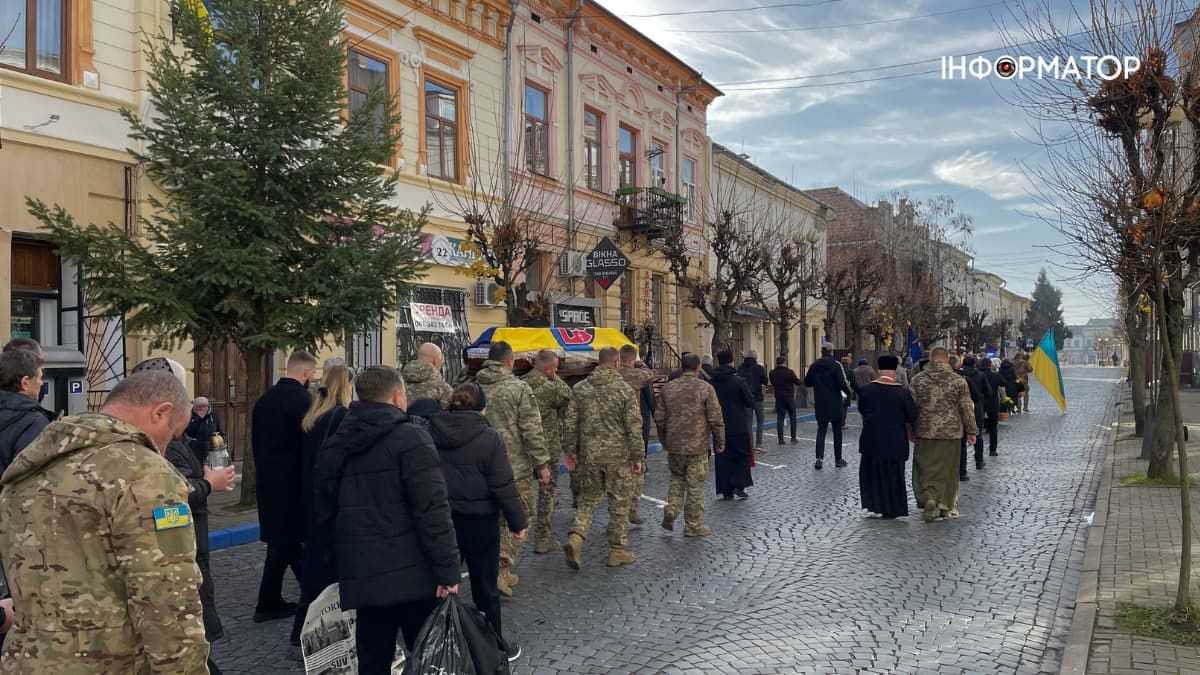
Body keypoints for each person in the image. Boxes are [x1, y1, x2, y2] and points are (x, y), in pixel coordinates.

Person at [0, 370, 209, 670]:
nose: (167, 448)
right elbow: (167, 598)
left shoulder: (30, 467)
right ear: (161, 412)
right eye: (173, 435)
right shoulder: (143, 473)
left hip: (28, 661)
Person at [310, 366, 459, 673]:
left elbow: (323, 513)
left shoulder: (336, 442)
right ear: (397, 397)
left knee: (372, 656)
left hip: (364, 572)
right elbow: (432, 510)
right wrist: (448, 571)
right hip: (414, 575)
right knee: (426, 656)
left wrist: (334, 563)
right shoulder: (413, 438)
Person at [135, 357, 236, 675]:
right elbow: (168, 503)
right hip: (177, 566)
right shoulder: (158, 445)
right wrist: (208, 483)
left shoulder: (171, 440)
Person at [426, 383, 526, 661]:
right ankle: (494, 646)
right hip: (480, 521)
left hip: (442, 518)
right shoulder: (488, 437)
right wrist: (518, 522)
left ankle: (433, 643)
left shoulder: (429, 430)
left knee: (439, 582)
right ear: (482, 407)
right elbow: (502, 483)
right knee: (485, 587)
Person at [475, 341, 550, 596]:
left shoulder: (473, 386)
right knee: (522, 515)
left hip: (479, 467)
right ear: (510, 361)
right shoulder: (518, 388)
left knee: (491, 520)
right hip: (513, 468)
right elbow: (531, 430)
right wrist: (542, 464)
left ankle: (495, 570)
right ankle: (500, 567)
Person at [562, 347, 644, 569]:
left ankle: (576, 536)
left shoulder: (580, 389)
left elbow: (569, 424)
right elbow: (634, 427)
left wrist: (569, 452)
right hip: (618, 456)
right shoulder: (624, 390)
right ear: (617, 363)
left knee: (587, 500)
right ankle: (617, 550)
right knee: (619, 501)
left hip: (590, 455)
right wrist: (638, 456)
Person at [290, 363, 354, 645]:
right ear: (345, 385)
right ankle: (307, 637)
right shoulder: (340, 417)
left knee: (317, 575)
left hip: (310, 500)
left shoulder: (312, 416)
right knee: (325, 578)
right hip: (330, 503)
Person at [251, 350, 317, 623]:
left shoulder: (264, 400)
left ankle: (269, 602)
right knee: (289, 544)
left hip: (268, 484)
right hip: (293, 487)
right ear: (307, 373)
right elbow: (309, 448)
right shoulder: (304, 401)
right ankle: (314, 597)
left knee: (281, 545)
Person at [656, 353, 725, 536]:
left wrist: (664, 440)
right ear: (698, 367)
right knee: (695, 486)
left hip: (675, 444)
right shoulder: (705, 388)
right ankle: (692, 525)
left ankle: (671, 508)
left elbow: (660, 419)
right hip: (698, 446)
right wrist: (720, 441)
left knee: (677, 479)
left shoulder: (668, 388)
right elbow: (715, 418)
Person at [910, 347, 979, 522]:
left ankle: (929, 497)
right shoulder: (958, 380)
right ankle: (946, 505)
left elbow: (910, 407)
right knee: (949, 470)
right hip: (951, 432)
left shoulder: (918, 380)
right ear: (947, 360)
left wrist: (909, 428)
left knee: (924, 468)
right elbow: (966, 407)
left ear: (931, 359)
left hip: (925, 431)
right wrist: (972, 430)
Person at [522, 349, 572, 554]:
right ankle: (543, 538)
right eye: (555, 368)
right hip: (546, 447)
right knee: (547, 493)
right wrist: (554, 376)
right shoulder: (549, 387)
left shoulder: (522, 382)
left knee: (521, 493)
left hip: (523, 448)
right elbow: (568, 395)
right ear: (549, 368)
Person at [856, 355, 918, 519]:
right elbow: (912, 415)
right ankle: (892, 507)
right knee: (893, 475)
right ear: (895, 372)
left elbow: (862, 410)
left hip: (871, 439)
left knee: (873, 473)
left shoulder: (866, 390)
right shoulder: (902, 393)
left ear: (878, 371)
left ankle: (875, 503)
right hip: (895, 440)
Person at [618, 344, 656, 523]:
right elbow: (650, 375)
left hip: (609, 433)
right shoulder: (634, 375)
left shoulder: (611, 374)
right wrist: (641, 364)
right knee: (637, 470)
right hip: (631, 429)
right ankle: (631, 510)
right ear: (633, 360)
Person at [710, 350, 755, 500]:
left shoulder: (712, 383)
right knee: (742, 456)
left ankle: (725, 490)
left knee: (722, 458)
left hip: (719, 426)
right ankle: (738, 483)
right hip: (738, 425)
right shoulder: (738, 381)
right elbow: (749, 401)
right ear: (731, 362)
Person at [0, 348, 51, 474]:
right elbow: (29, 477)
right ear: (25, 382)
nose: (41, 383)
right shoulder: (33, 422)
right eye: (40, 378)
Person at [805, 342, 852, 469]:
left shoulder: (814, 365)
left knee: (821, 432)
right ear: (831, 351)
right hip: (835, 403)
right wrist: (849, 393)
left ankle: (819, 459)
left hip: (820, 403)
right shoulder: (836, 365)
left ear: (822, 351)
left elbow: (807, 382)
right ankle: (838, 459)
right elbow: (843, 383)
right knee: (837, 432)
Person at [958, 355, 990, 474]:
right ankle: (979, 461)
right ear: (974, 364)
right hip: (976, 408)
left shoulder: (958, 375)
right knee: (978, 435)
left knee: (961, 439)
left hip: (960, 409)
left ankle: (962, 469)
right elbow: (988, 392)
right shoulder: (980, 375)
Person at [402, 342, 453, 408]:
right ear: (435, 360)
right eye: (441, 358)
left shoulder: (398, 383)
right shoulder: (443, 389)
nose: (442, 362)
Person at [737, 349, 769, 452]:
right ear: (755, 357)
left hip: (745, 398)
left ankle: (749, 445)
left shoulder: (741, 367)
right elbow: (765, 380)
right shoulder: (759, 368)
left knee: (748, 423)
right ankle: (759, 444)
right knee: (760, 420)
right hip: (758, 397)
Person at [768, 356, 803, 445]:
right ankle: (793, 437)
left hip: (779, 397)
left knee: (780, 418)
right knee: (793, 417)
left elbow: (772, 383)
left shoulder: (772, 373)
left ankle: (780, 439)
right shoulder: (789, 372)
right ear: (784, 362)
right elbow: (797, 382)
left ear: (777, 363)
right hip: (789, 397)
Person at [185, 396, 225, 463]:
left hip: (211, 449)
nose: (202, 408)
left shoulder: (213, 416)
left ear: (208, 406)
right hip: (194, 449)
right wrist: (199, 419)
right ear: (194, 407)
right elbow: (189, 432)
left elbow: (219, 431)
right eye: (199, 406)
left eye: (204, 406)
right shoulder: (189, 416)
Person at [979, 358, 1004, 456]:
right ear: (990, 365)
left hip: (980, 403)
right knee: (993, 428)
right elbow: (1003, 383)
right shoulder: (995, 375)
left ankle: (979, 453)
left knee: (979, 427)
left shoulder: (977, 375)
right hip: (992, 403)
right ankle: (992, 449)